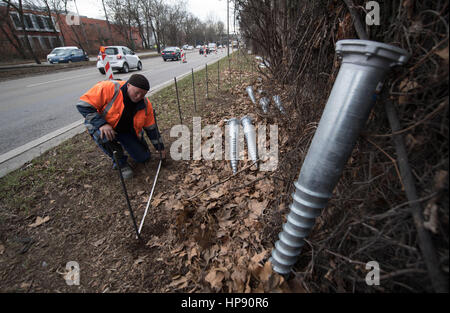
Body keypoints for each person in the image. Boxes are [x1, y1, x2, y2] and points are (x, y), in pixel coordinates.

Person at [76, 74, 165, 179]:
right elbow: (83, 105)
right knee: (103, 135)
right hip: (104, 127)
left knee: (144, 158)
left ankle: (126, 145)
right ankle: (120, 163)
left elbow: (151, 129)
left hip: (125, 131)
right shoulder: (109, 88)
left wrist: (160, 148)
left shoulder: (145, 105)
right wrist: (102, 124)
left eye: (142, 95)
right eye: (137, 93)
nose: (138, 97)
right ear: (128, 85)